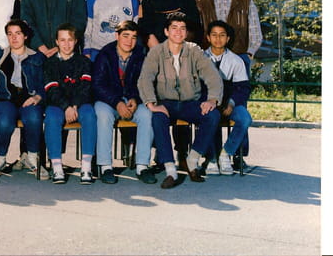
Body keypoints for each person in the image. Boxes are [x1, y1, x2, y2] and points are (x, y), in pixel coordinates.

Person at [137, 12, 223, 189]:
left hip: (189, 103)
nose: (178, 32)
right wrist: (151, 103)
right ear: (166, 31)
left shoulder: (194, 50)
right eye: (174, 28)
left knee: (212, 115)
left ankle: (192, 160)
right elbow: (145, 78)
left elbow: (212, 76)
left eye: (182, 28)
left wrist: (212, 100)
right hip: (166, 103)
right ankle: (170, 170)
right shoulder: (156, 52)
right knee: (157, 118)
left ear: (186, 32)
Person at [92, 20, 156, 185]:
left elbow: (144, 82)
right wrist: (117, 103)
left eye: (133, 37)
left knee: (147, 114)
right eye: (125, 36)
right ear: (117, 36)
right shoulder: (105, 54)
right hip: (108, 100)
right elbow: (98, 85)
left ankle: (142, 165)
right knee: (103, 115)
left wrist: (135, 99)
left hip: (130, 99)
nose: (129, 41)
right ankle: (105, 166)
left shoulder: (140, 55)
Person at [0, 19, 47, 178]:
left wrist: (38, 96)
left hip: (29, 98)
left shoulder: (37, 57)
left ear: (25, 36)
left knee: (34, 118)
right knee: (4, 122)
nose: (14, 37)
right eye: (10, 34)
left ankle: (32, 158)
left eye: (18, 33)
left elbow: (47, 83)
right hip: (6, 98)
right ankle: (0, 158)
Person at [43, 23, 96, 185]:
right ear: (56, 42)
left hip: (80, 104)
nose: (66, 44)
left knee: (89, 114)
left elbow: (85, 87)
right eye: (62, 40)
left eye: (70, 40)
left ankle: (86, 166)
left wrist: (74, 105)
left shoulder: (84, 62)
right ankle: (57, 166)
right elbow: (52, 89)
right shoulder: (50, 63)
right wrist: (66, 106)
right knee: (51, 117)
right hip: (58, 105)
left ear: (76, 41)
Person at [195, 0, 263, 77]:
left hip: (239, 57)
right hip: (209, 60)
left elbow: (255, 30)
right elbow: (196, 32)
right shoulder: (200, 2)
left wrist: (248, 54)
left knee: (239, 90)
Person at [203, 20, 252, 175]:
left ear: (228, 38)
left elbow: (242, 88)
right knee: (209, 116)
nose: (218, 39)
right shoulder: (200, 58)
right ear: (208, 37)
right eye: (214, 35)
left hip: (230, 102)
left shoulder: (236, 60)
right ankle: (211, 158)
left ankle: (226, 153)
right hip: (208, 102)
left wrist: (231, 103)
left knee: (245, 119)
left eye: (222, 35)